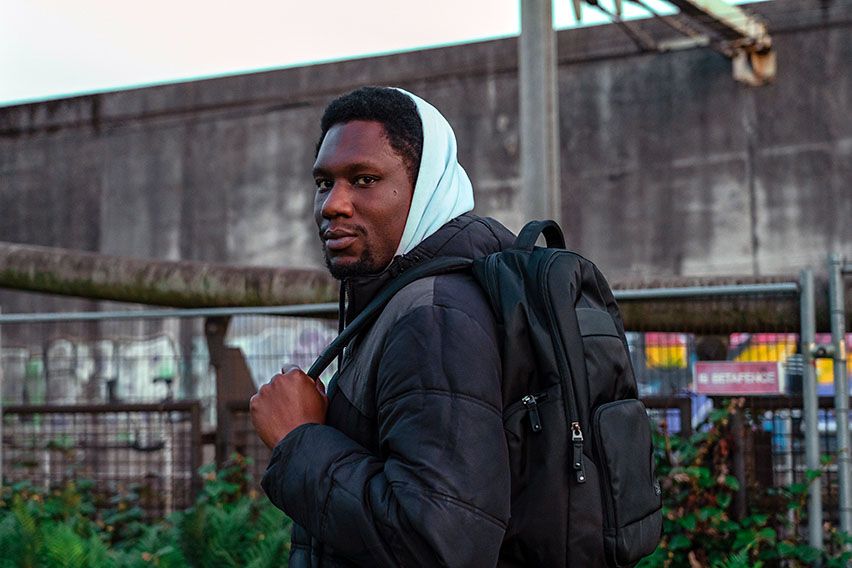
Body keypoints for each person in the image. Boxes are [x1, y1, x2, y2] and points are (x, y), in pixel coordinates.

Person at [250, 86, 517, 567]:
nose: (333, 204)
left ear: (425, 188)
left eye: (364, 179)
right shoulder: (402, 300)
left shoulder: (434, 315)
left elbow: (439, 545)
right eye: (324, 183)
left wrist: (299, 440)